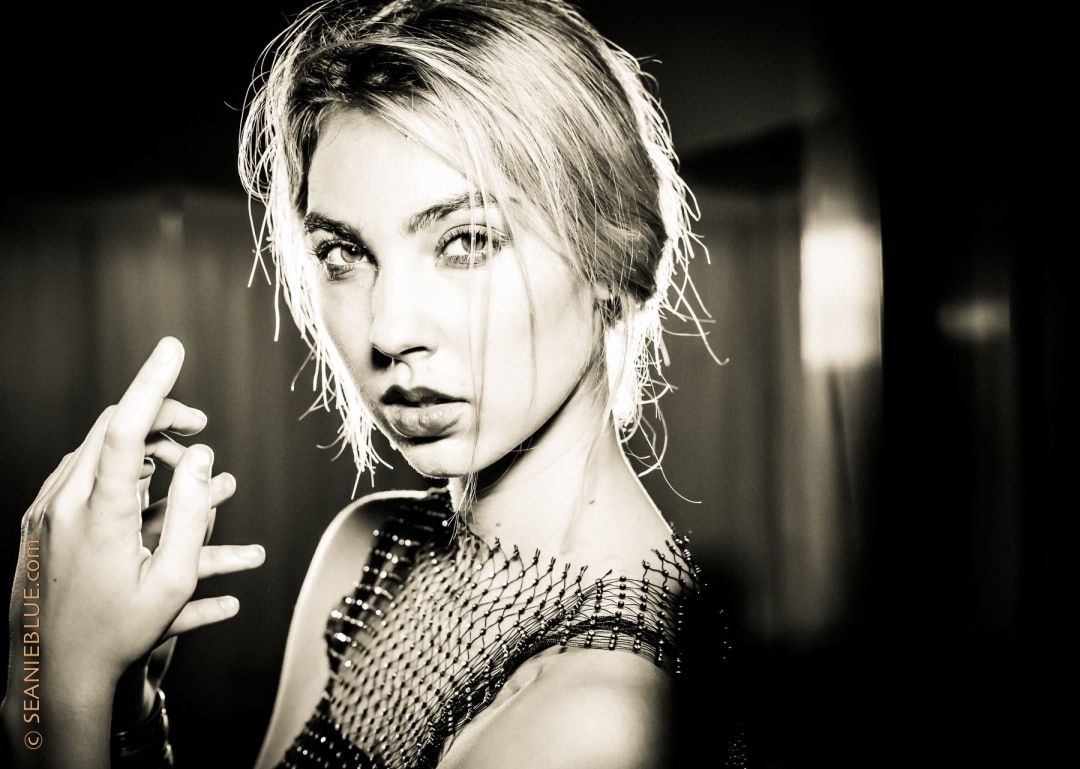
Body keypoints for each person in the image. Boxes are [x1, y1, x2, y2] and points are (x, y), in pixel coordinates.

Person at [2, 0, 740, 767]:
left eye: (467, 240)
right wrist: (125, 706)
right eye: (343, 253)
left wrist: (58, 687)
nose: (387, 330)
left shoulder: (599, 716)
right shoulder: (368, 550)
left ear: (615, 255)